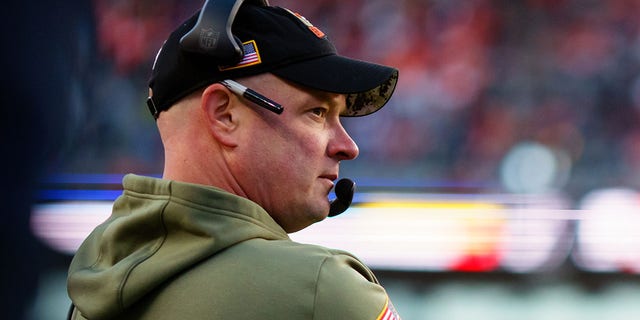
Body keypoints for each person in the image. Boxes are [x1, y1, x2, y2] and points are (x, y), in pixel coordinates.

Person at [67, 1, 400, 319]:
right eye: (317, 112)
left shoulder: (92, 287)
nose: (348, 146)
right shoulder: (324, 288)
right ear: (224, 115)